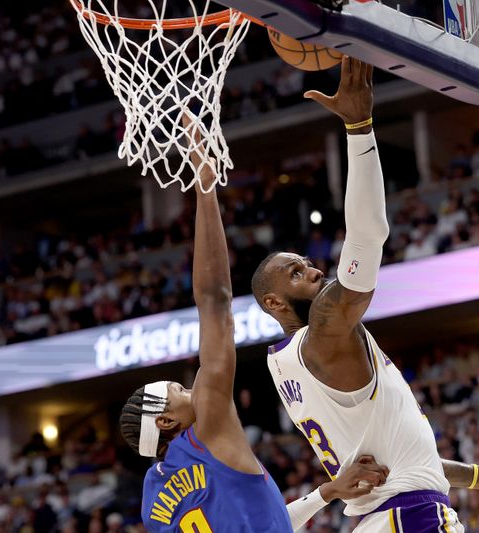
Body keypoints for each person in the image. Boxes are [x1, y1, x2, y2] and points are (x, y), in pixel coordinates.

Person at [251, 57, 479, 532]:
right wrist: (359, 128)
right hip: (410, 520)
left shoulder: (286, 363)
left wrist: (475, 475)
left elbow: (394, 465)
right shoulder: (325, 329)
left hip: (386, 518)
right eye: (297, 273)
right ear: (275, 303)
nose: (315, 269)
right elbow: (367, 236)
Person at [118, 117, 389, 532]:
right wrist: (205, 187)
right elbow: (214, 302)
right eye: (177, 391)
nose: (190, 387)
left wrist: (327, 493)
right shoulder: (206, 425)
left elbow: (254, 517)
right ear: (166, 422)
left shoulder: (152, 503)